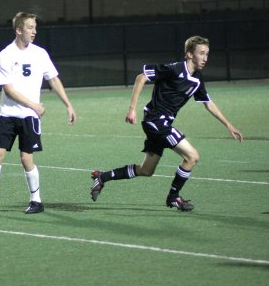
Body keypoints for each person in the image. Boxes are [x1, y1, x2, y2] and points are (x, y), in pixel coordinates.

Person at [91, 36, 243, 211]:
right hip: (156, 121)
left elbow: (207, 102)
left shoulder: (198, 79)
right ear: (189, 54)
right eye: (201, 53)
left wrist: (228, 125)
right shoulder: (174, 69)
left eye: (207, 54)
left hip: (159, 124)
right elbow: (141, 77)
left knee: (146, 170)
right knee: (192, 156)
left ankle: (102, 177)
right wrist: (132, 108)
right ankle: (173, 197)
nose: (205, 58)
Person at [0, 12, 76, 215]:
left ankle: (36, 201)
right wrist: (34, 105)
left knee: (26, 158)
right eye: (30, 27)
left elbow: (53, 79)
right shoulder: (6, 55)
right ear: (18, 30)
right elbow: (8, 90)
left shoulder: (40, 53)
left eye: (35, 27)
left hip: (29, 118)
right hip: (7, 114)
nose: (34, 31)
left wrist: (68, 104)